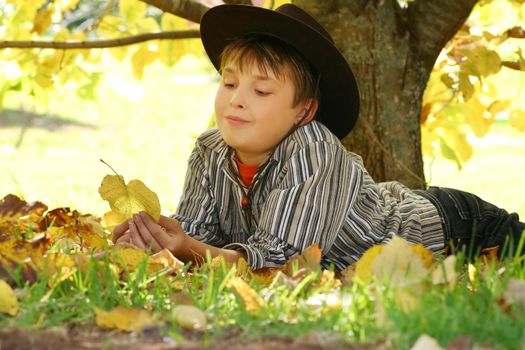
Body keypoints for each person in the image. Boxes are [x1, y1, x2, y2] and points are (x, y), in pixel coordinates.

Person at [112, 4, 525, 271]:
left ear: (303, 112)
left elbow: (285, 263)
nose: (236, 101)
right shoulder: (210, 149)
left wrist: (190, 248)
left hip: (456, 227)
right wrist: (156, 239)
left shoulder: (313, 149)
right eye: (230, 83)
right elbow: (200, 236)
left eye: (261, 91)